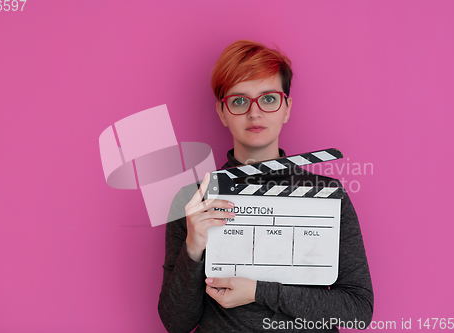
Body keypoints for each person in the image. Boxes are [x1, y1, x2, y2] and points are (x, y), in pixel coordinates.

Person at [158, 40, 373, 332]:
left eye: (269, 99)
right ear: (222, 112)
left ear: (286, 108)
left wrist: (260, 291)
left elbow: (357, 311)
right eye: (239, 100)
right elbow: (176, 323)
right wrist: (193, 248)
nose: (254, 113)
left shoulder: (326, 196)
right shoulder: (193, 199)